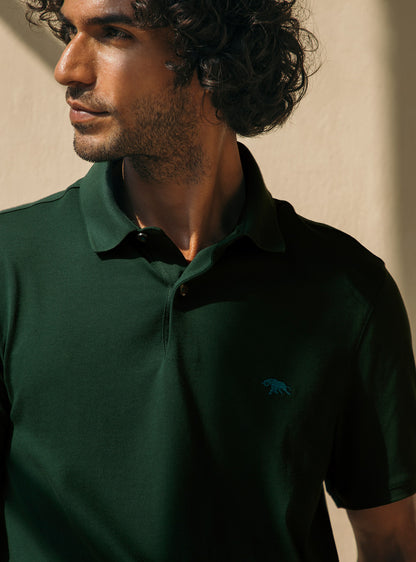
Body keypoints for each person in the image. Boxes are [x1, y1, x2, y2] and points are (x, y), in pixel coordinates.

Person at [1, 0, 415, 559]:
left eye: (114, 32)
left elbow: (391, 540)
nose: (67, 68)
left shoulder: (348, 289)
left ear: (213, 54)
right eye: (70, 31)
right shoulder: (10, 266)